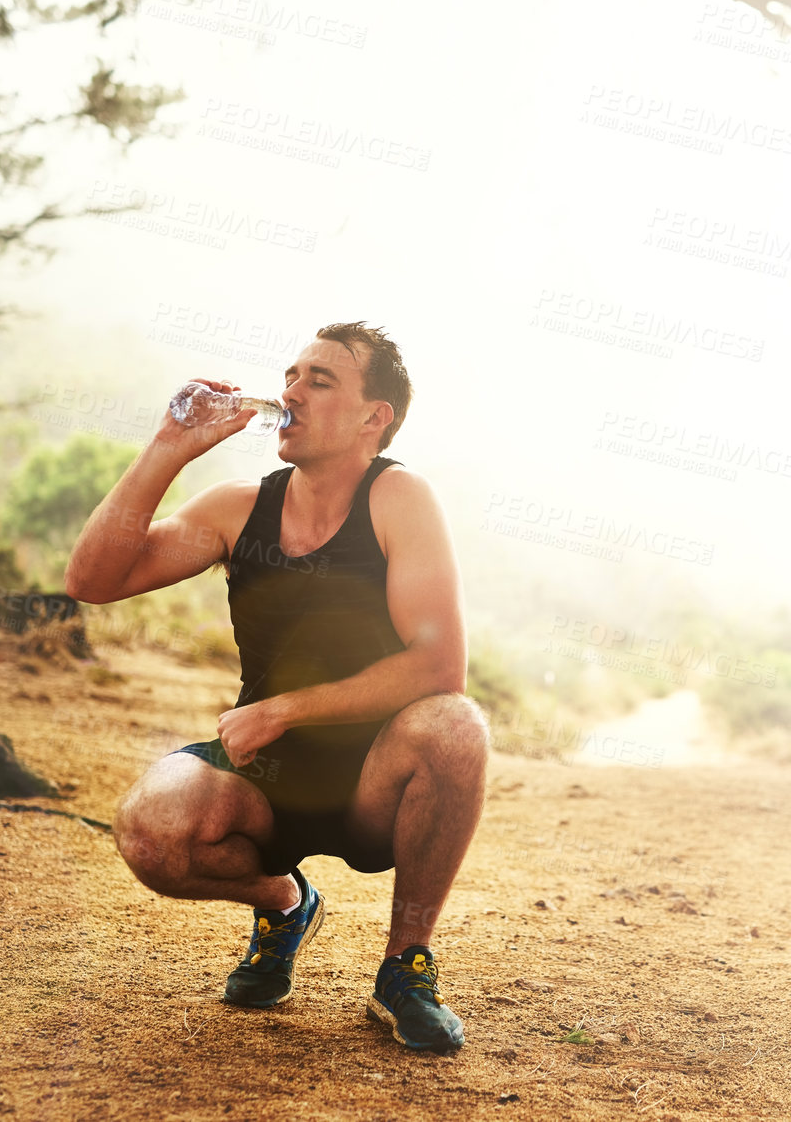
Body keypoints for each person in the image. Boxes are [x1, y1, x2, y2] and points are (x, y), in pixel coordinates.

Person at [64, 322, 487, 1053]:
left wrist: (286, 708)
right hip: (265, 780)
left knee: (456, 725)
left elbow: (437, 666)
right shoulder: (238, 507)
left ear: (372, 416)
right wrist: (168, 447)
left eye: (319, 379)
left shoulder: (399, 497)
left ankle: (404, 967)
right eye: (290, 375)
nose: (290, 390)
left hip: (372, 783)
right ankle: (286, 903)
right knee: (149, 829)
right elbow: (93, 581)